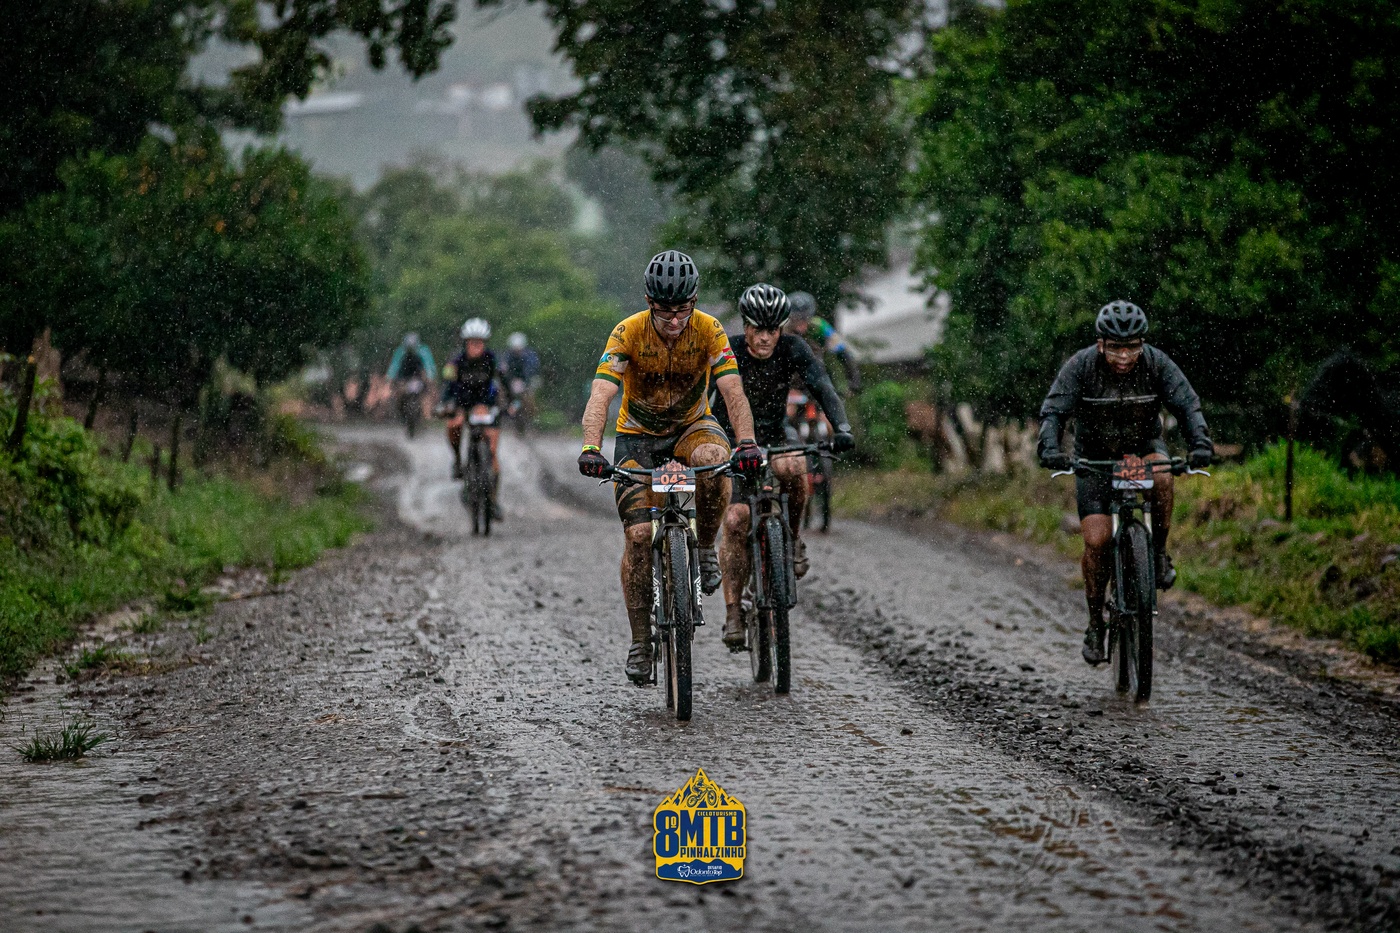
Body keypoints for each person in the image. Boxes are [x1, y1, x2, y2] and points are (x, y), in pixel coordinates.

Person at [576, 250, 762, 684]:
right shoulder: (627, 332)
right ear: (649, 302)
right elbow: (601, 394)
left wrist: (747, 442)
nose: (675, 321)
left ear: (694, 302)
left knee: (715, 461)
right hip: (637, 436)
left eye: (683, 310)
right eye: (665, 312)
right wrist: (591, 447)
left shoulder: (710, 329)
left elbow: (732, 391)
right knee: (639, 536)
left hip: (692, 427)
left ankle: (705, 546)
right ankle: (641, 641)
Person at [1037, 300, 1214, 665]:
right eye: (1116, 347)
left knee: (1163, 477)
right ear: (1101, 344)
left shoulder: (1157, 364)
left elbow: (1187, 405)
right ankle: (1095, 624)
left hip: (1143, 447)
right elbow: (1054, 411)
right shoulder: (1080, 366)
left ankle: (1158, 554)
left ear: (1142, 344)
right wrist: (1050, 448)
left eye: (1131, 347)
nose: (1123, 356)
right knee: (1097, 541)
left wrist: (1200, 443)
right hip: (1094, 457)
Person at [713, 284, 855, 649]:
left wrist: (841, 427)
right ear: (745, 326)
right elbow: (701, 397)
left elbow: (821, 384)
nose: (764, 338)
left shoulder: (795, 346)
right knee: (736, 520)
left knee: (795, 467)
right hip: (732, 439)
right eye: (756, 329)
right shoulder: (727, 350)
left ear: (781, 328)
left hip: (775, 434)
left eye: (771, 330)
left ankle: (791, 540)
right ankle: (733, 612)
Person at [439, 318, 504, 518]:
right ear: (465, 343)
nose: (476, 346)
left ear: (485, 343)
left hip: (487, 406)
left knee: (492, 451)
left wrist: (510, 403)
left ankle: (493, 500)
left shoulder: (493, 360)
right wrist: (446, 404)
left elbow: (504, 383)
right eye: (472, 342)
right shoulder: (455, 362)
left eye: (479, 342)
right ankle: (458, 460)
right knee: (453, 425)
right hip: (463, 405)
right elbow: (447, 386)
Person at [784, 291, 862, 396]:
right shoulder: (781, 330)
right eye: (796, 319)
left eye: (805, 318)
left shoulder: (820, 327)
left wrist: (853, 384)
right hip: (789, 382)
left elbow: (843, 354)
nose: (801, 324)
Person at [386, 333, 436, 431]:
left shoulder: (423, 351)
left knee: (426, 396)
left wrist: (430, 378)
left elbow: (428, 366)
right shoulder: (400, 352)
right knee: (398, 395)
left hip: (418, 379)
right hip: (404, 379)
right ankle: (401, 414)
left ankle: (424, 418)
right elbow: (394, 366)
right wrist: (390, 378)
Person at [500, 331, 541, 428]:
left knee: (529, 397)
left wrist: (525, 381)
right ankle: (503, 413)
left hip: (526, 380)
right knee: (501, 394)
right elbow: (504, 368)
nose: (517, 351)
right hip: (511, 381)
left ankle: (532, 416)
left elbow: (532, 368)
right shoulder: (508, 355)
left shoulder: (530, 355)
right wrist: (509, 378)